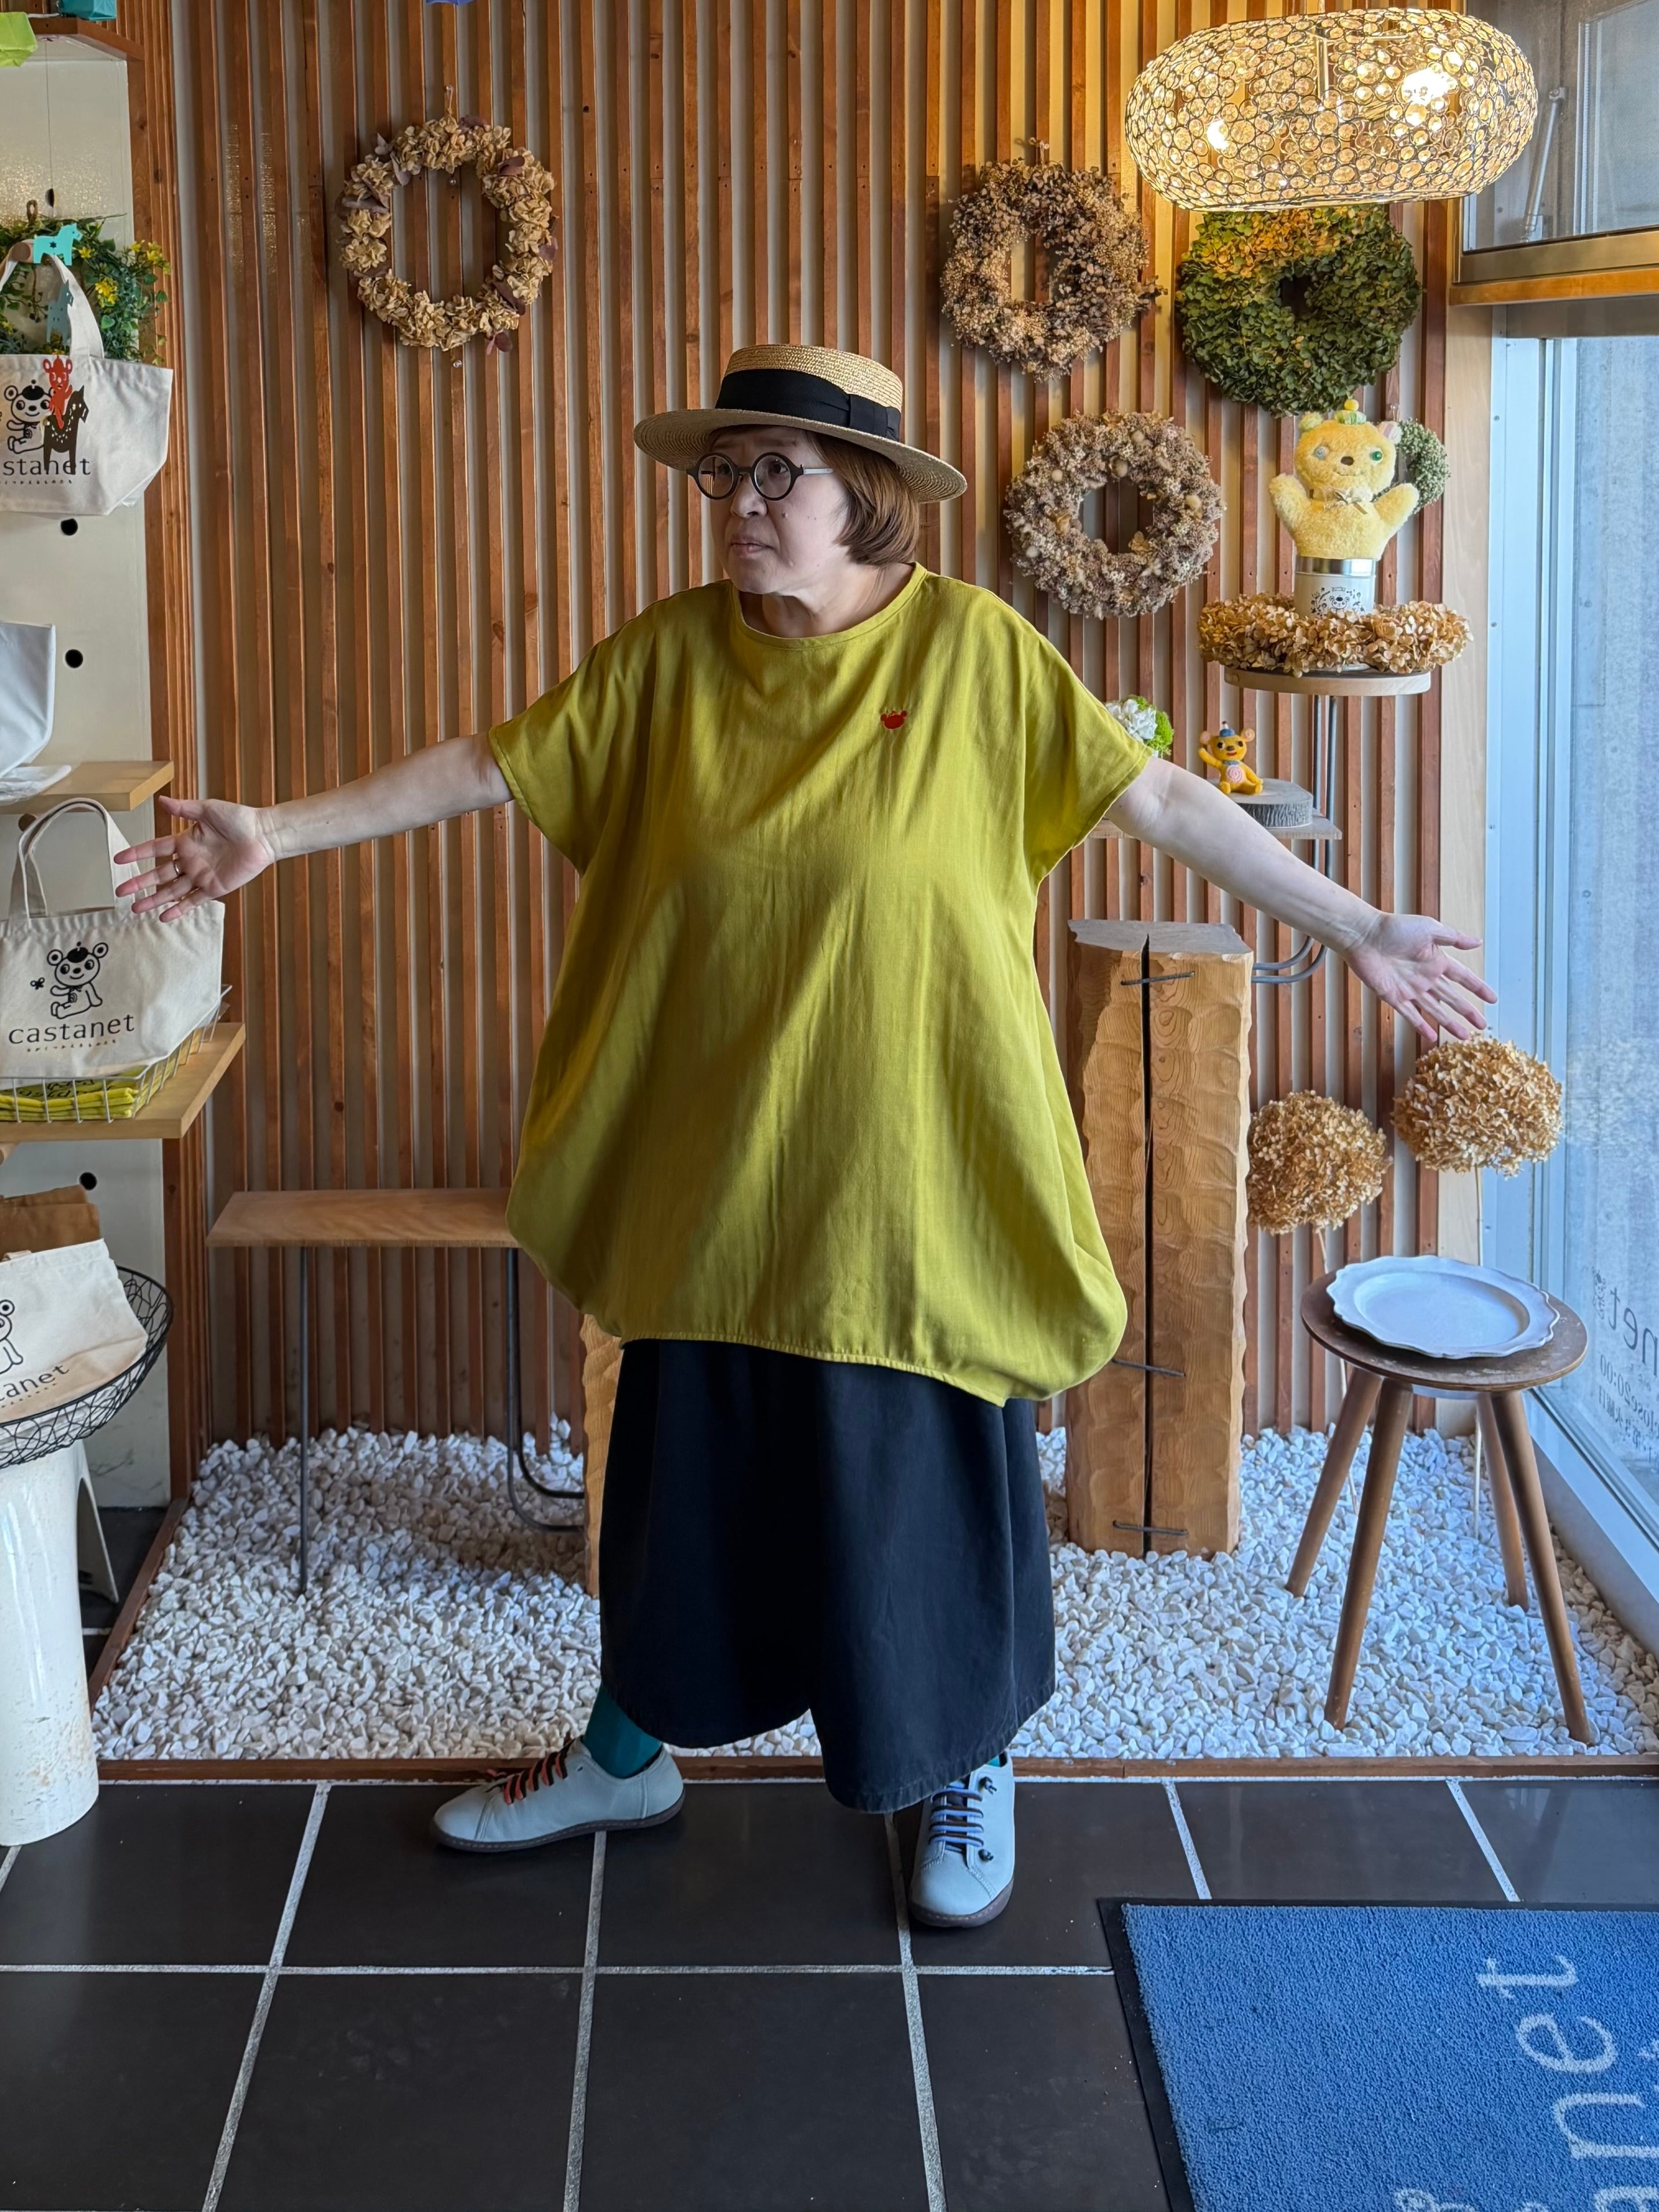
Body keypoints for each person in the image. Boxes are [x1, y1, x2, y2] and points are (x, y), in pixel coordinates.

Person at [115, 345, 1494, 1927]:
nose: (739, 502)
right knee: (687, 1480)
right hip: (718, 1167)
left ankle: (969, 1757)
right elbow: (491, 766)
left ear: (875, 499)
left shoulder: (976, 656)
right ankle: (626, 1753)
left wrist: (1360, 924)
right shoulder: (669, 661)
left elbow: (1164, 802)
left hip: (913, 1172)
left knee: (919, 1477)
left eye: (778, 472)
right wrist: (272, 832)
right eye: (725, 471)